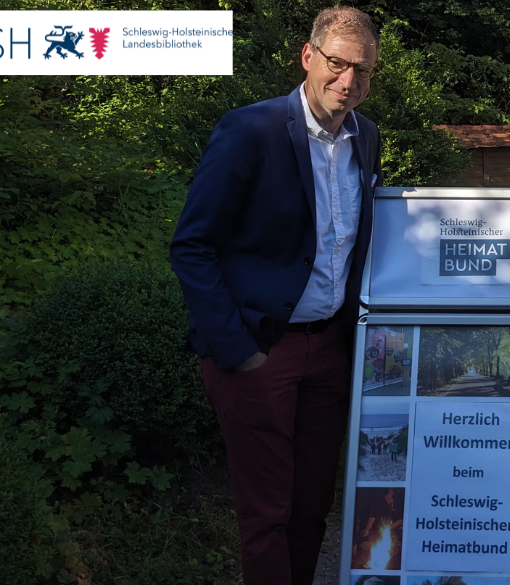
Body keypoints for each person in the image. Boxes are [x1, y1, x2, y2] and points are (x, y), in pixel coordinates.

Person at [168, 7, 383, 585]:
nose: (348, 80)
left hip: (329, 350)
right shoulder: (250, 130)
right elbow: (191, 245)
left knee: (312, 508)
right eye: (337, 63)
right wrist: (238, 350)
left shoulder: (367, 137)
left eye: (362, 70)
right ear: (308, 56)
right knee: (267, 513)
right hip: (261, 346)